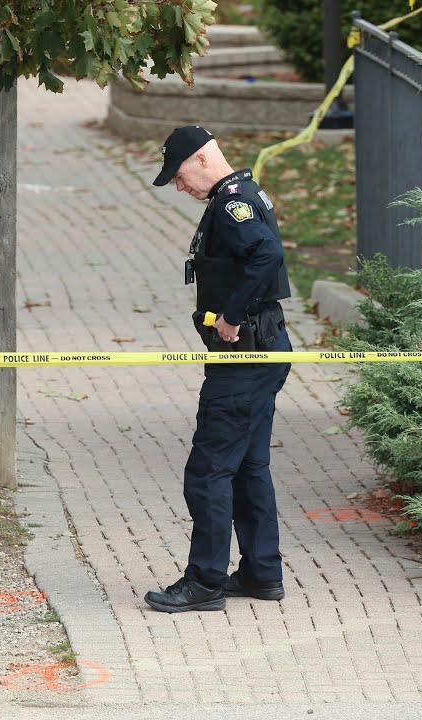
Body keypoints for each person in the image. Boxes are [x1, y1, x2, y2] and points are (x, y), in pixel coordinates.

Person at [143, 126, 294, 613]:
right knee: (249, 466)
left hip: (245, 358)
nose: (179, 186)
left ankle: (204, 582)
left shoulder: (233, 205)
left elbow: (268, 255)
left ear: (203, 158)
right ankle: (260, 573)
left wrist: (230, 315)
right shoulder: (240, 196)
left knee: (208, 471)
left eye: (180, 175)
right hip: (262, 351)